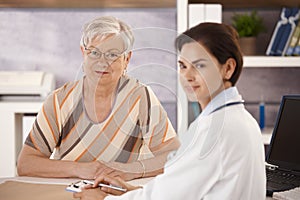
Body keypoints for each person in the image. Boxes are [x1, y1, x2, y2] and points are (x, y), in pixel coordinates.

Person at [73, 22, 266, 200]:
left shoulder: (217, 130)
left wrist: (105, 199)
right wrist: (130, 191)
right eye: (182, 66)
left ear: (228, 69)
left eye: (199, 65)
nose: (187, 76)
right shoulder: (241, 120)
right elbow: (181, 190)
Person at [17, 16, 180, 181]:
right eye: (94, 52)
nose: (102, 62)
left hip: (124, 193)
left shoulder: (141, 97)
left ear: (127, 59)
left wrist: (129, 170)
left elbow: (174, 156)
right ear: (83, 53)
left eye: (112, 55)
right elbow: (26, 163)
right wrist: (81, 169)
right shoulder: (58, 101)